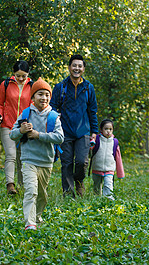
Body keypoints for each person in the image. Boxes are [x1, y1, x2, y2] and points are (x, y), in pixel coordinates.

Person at [10, 78, 64, 230]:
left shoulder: (53, 116)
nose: (44, 98)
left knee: (41, 195)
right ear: (33, 97)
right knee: (31, 191)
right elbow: (12, 134)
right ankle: (30, 223)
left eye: (47, 95)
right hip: (28, 159)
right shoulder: (25, 114)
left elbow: (60, 138)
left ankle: (37, 216)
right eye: (40, 94)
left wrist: (38, 135)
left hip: (46, 161)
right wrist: (21, 131)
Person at [50, 54, 98, 198]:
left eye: (79, 66)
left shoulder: (89, 88)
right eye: (74, 65)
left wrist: (94, 131)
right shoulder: (60, 87)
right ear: (69, 67)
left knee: (82, 161)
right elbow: (52, 106)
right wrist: (55, 115)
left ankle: (79, 181)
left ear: (83, 69)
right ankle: (69, 194)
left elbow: (92, 111)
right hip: (64, 131)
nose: (76, 68)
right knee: (67, 163)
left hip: (83, 131)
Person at [0, 60, 32, 194]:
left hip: (24, 127)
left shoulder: (32, 86)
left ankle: (22, 185)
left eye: (24, 76)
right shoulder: (5, 84)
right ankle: (10, 184)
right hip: (7, 124)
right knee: (11, 155)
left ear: (28, 74)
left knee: (23, 157)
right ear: (13, 74)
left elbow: (33, 107)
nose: (21, 79)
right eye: (18, 75)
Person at [90, 119, 125, 200]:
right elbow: (90, 148)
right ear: (101, 130)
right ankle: (97, 200)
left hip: (109, 169)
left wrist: (120, 173)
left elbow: (118, 159)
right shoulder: (97, 140)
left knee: (108, 185)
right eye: (106, 129)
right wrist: (92, 142)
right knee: (96, 187)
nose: (108, 131)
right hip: (96, 169)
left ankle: (108, 200)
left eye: (110, 129)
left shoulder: (115, 142)